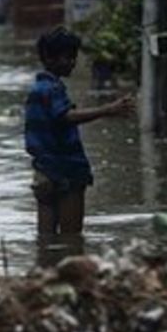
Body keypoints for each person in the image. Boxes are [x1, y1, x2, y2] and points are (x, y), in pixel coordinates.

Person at [25, 27, 134, 237]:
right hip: (67, 170)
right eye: (68, 57)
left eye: (73, 57)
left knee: (45, 240)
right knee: (71, 239)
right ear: (49, 57)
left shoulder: (37, 89)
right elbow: (65, 116)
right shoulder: (52, 89)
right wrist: (107, 110)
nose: (73, 63)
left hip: (43, 172)